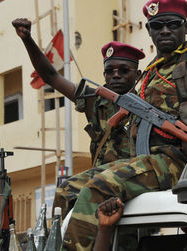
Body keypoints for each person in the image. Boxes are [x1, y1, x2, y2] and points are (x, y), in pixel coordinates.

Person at [62, 0, 187, 250]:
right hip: (148, 160)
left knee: (99, 188)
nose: (164, 30)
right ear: (149, 30)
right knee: (68, 189)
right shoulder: (154, 69)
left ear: (185, 27)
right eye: (157, 25)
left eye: (172, 24)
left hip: (180, 161)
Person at [12, 19, 146, 218]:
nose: (116, 75)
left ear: (138, 75)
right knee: (66, 193)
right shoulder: (95, 101)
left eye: (124, 71)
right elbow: (50, 76)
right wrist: (28, 39)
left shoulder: (150, 104)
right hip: (100, 187)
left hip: (136, 184)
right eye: (110, 71)